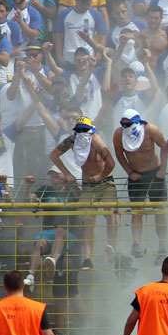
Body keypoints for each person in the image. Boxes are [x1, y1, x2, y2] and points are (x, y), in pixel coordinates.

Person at [49, 114, 117, 270]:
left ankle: (112, 247)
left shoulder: (96, 141)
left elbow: (111, 163)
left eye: (84, 129)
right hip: (87, 185)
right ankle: (88, 258)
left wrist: (100, 176)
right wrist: (67, 173)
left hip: (106, 182)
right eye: (78, 129)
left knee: (110, 211)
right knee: (87, 220)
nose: (81, 132)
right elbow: (54, 155)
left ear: (90, 129)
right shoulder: (72, 140)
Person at [112, 109, 168, 258]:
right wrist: (130, 173)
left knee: (158, 209)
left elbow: (165, 146)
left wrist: (163, 170)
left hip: (154, 172)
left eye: (129, 123)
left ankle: (162, 246)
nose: (126, 126)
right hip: (136, 175)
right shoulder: (119, 134)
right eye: (124, 123)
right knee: (136, 210)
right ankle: (136, 243)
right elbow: (119, 154)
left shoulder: (150, 129)